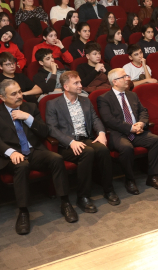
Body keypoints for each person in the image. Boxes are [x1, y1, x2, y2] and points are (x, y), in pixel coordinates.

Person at [0, 79, 76, 234]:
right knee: (22, 166)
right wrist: (11, 152)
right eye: (13, 94)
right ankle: (23, 212)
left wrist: (27, 117)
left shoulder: (30, 107)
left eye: (20, 92)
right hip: (12, 155)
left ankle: (65, 202)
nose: (19, 96)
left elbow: (44, 132)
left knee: (56, 158)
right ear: (2, 97)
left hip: (33, 151)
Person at [46, 71, 120, 212]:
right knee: (87, 152)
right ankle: (83, 197)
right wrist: (70, 142)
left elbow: (95, 119)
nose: (80, 85)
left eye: (80, 82)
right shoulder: (53, 104)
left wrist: (101, 133)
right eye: (76, 83)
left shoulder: (85, 100)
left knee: (103, 149)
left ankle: (108, 189)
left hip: (85, 139)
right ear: (66, 87)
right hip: (66, 145)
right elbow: (52, 129)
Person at [97, 68, 158, 194]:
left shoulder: (132, 94)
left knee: (156, 140)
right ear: (114, 82)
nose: (127, 79)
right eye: (123, 77)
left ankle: (153, 177)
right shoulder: (104, 98)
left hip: (137, 131)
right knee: (126, 148)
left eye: (127, 76)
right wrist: (130, 128)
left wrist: (141, 123)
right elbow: (109, 120)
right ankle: (130, 180)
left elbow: (143, 111)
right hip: (119, 133)